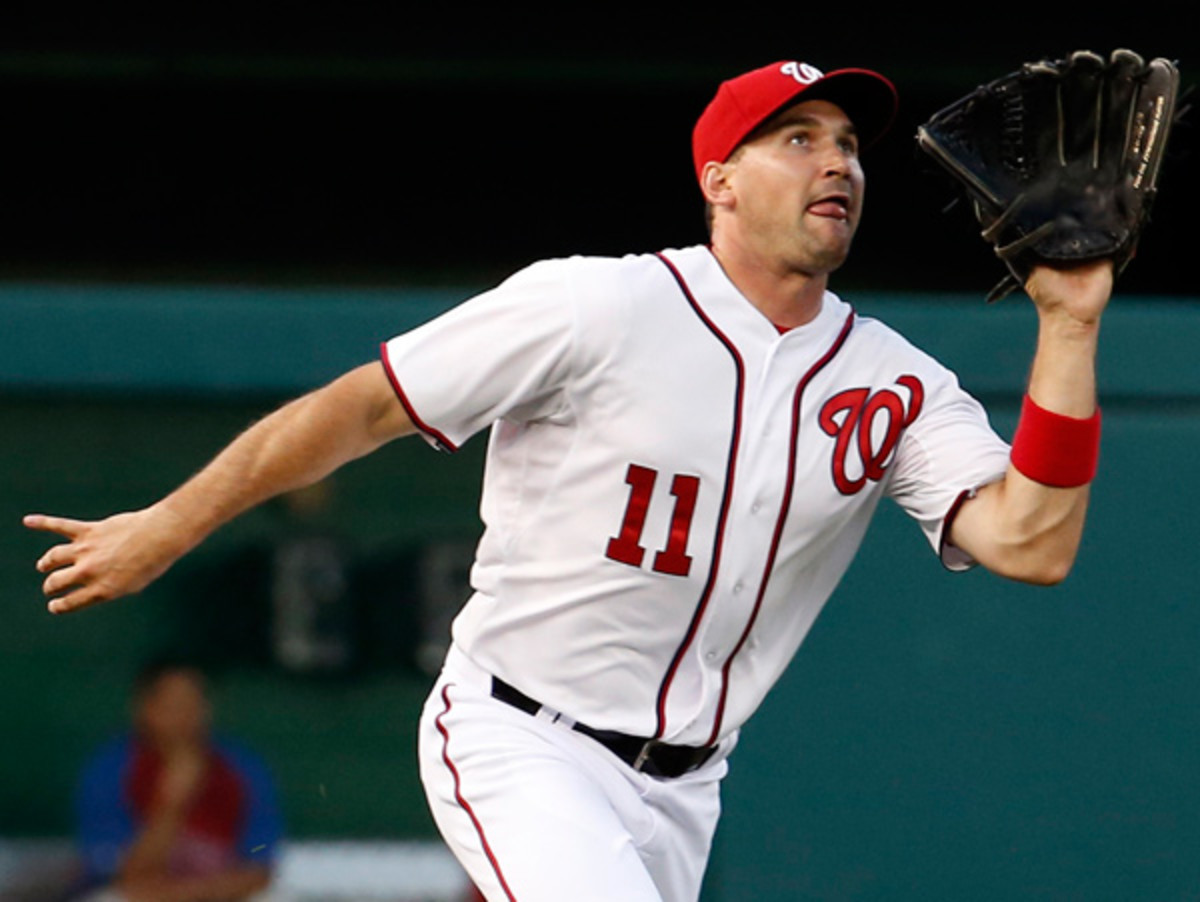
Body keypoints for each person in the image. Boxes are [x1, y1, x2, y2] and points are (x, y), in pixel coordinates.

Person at [27, 58, 1112, 902]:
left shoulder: (893, 379)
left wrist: (1067, 325)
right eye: (795, 138)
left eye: (846, 144)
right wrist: (170, 521)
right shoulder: (596, 306)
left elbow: (1032, 540)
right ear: (718, 181)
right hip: (521, 732)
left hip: (689, 785)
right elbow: (359, 407)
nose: (836, 161)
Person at [72, 658, 283, 902]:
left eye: (194, 704)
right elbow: (121, 875)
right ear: (144, 707)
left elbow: (260, 870)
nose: (185, 717)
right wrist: (173, 801)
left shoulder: (240, 766)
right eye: (173, 705)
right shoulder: (111, 768)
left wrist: (191, 894)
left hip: (219, 894)